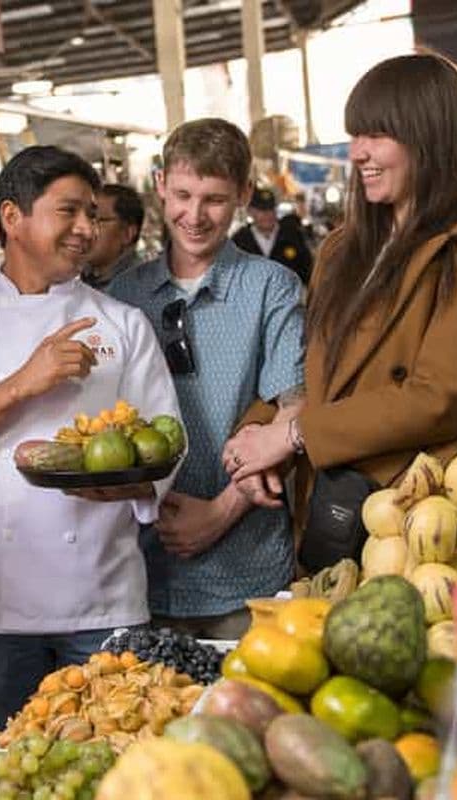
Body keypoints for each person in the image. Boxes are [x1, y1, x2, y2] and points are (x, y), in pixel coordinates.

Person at [0, 145, 181, 737]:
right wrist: (24, 384)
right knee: (5, 769)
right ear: (10, 218)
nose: (85, 229)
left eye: (93, 215)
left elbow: (164, 442)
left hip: (103, 595)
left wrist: (131, 485)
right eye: (68, 211)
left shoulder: (123, 325)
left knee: (116, 761)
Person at [224, 53, 457, 543]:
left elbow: (441, 397)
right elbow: (315, 369)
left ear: (430, 137)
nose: (357, 153)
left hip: (431, 518)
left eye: (376, 135)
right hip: (339, 507)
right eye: (355, 135)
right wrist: (252, 436)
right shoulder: (341, 247)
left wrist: (293, 435)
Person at [109, 118, 305, 640]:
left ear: (243, 193)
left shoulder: (272, 288)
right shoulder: (123, 297)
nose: (194, 216)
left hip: (249, 568)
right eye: (182, 194)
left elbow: (294, 411)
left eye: (215, 199)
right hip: (140, 569)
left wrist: (221, 511)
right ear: (158, 187)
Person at [232, 185, 313, 284]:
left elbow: (307, 271)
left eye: (271, 209)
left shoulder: (292, 236)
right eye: (262, 210)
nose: (267, 214)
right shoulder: (240, 240)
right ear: (250, 211)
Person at [82, 183, 145, 289]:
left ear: (127, 233)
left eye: (96, 220)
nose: (85, 230)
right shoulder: (77, 279)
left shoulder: (142, 289)